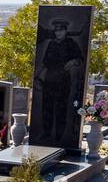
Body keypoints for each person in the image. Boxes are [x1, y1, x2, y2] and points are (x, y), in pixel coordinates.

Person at [33, 16, 84, 149]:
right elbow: (44, 62)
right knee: (47, 108)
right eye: (56, 31)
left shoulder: (71, 43)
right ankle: (47, 134)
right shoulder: (51, 44)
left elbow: (80, 59)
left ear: (65, 31)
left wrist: (72, 62)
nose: (58, 33)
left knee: (61, 108)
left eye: (61, 30)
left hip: (63, 79)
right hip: (49, 79)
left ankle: (59, 136)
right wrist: (36, 75)